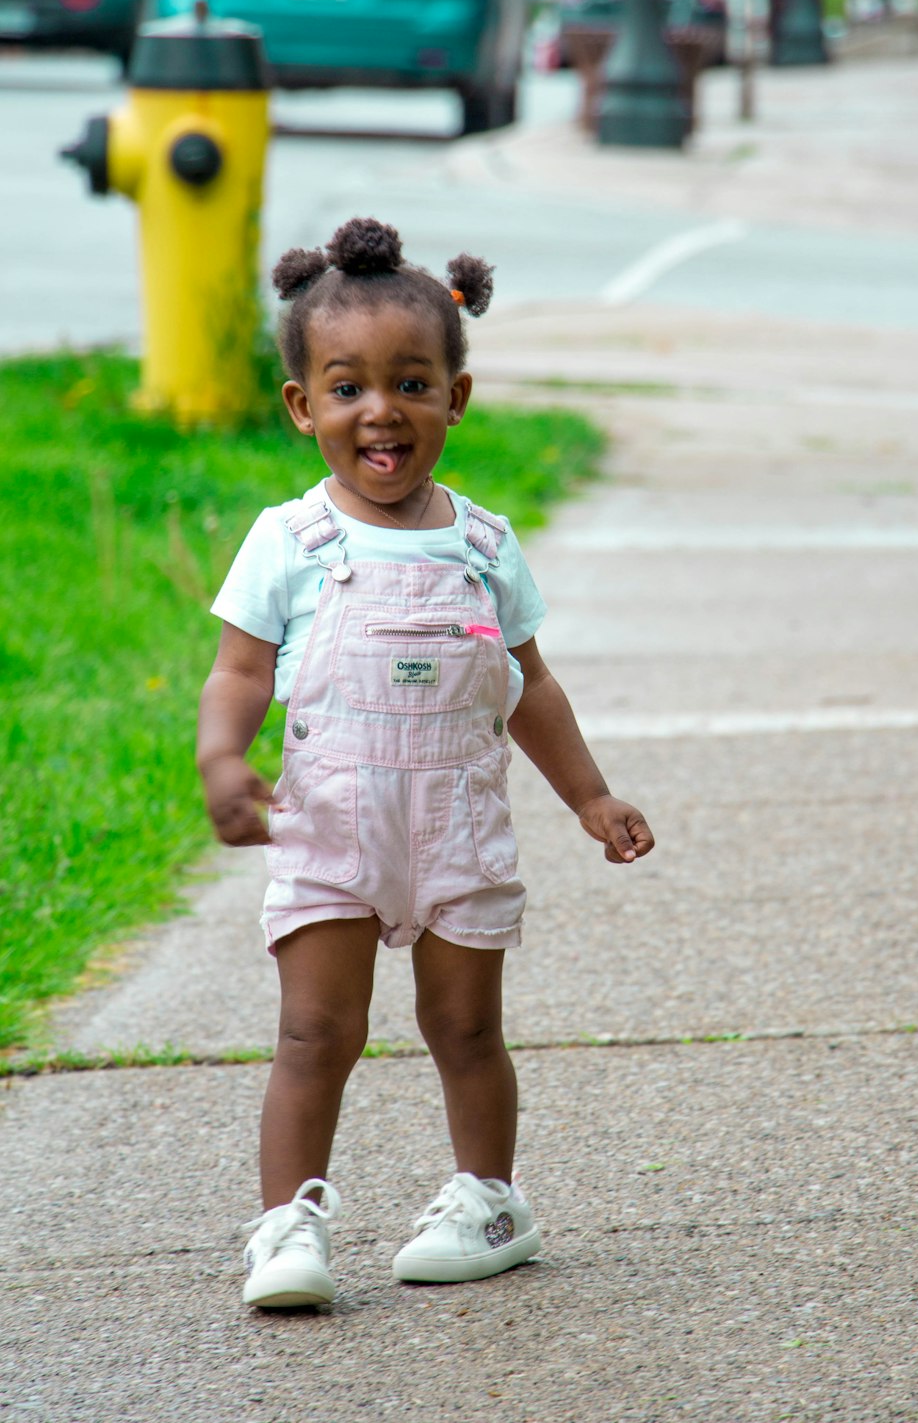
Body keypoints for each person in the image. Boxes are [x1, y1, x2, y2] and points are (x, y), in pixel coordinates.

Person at [197, 216, 654, 1309]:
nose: (380, 410)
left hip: (455, 829)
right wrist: (224, 759)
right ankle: (287, 1223)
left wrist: (588, 794)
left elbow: (527, 686)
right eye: (347, 387)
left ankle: (488, 1197)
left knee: (465, 1027)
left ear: (457, 395)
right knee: (315, 1030)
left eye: (410, 382)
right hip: (332, 830)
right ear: (303, 406)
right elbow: (238, 672)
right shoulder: (288, 541)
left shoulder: (485, 547)